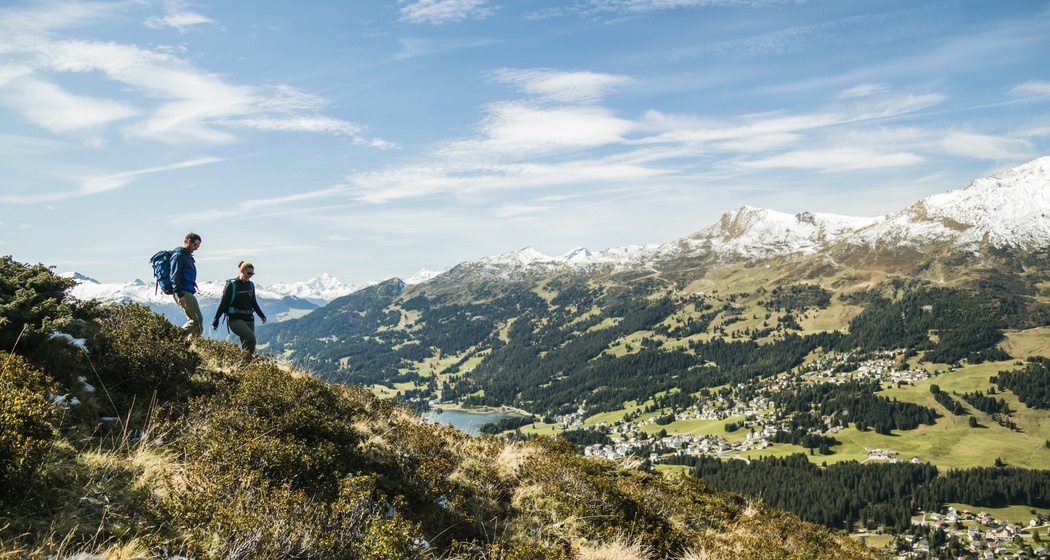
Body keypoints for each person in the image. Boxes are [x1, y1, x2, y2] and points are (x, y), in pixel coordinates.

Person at [212, 260, 267, 354]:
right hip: (235, 319)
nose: (250, 275)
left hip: (249, 318)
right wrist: (216, 319)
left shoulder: (251, 285)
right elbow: (223, 303)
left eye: (252, 274)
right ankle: (248, 362)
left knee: (246, 343)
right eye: (249, 273)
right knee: (251, 339)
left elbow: (253, 302)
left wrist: (261, 315)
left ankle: (244, 365)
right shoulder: (232, 285)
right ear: (242, 270)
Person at [171, 232, 203, 338]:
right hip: (182, 291)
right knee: (196, 320)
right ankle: (174, 340)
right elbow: (174, 277)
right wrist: (180, 295)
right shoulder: (179, 255)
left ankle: (192, 350)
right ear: (188, 241)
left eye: (198, 246)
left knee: (198, 326)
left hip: (187, 291)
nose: (196, 248)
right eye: (195, 245)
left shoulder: (186, 256)